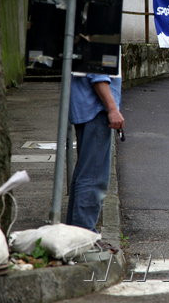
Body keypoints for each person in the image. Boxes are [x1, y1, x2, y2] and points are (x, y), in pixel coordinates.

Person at [66, 74, 125, 233]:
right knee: (93, 177)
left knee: (85, 174)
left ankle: (75, 232)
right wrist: (112, 109)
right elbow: (99, 73)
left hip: (87, 109)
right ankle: (84, 234)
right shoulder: (105, 47)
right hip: (96, 110)